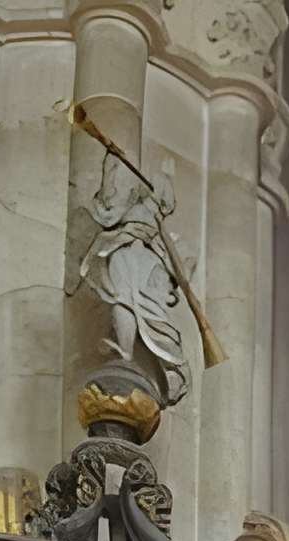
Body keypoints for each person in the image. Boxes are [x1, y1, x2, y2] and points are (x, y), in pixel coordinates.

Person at [67, 153, 191, 404]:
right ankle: (124, 351)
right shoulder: (130, 206)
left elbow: (180, 267)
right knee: (121, 298)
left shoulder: (163, 231)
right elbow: (105, 212)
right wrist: (109, 170)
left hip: (148, 262)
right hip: (122, 251)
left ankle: (173, 368)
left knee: (152, 312)